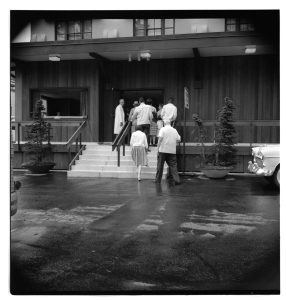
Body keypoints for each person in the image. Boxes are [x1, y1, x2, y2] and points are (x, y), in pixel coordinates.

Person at [154, 119, 181, 184]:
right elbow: (179, 139)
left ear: (164, 123)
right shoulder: (174, 130)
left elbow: (160, 139)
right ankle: (177, 180)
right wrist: (172, 141)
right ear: (170, 123)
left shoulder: (162, 129)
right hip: (172, 150)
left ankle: (158, 181)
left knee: (160, 166)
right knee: (173, 166)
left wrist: (157, 149)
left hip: (163, 150)